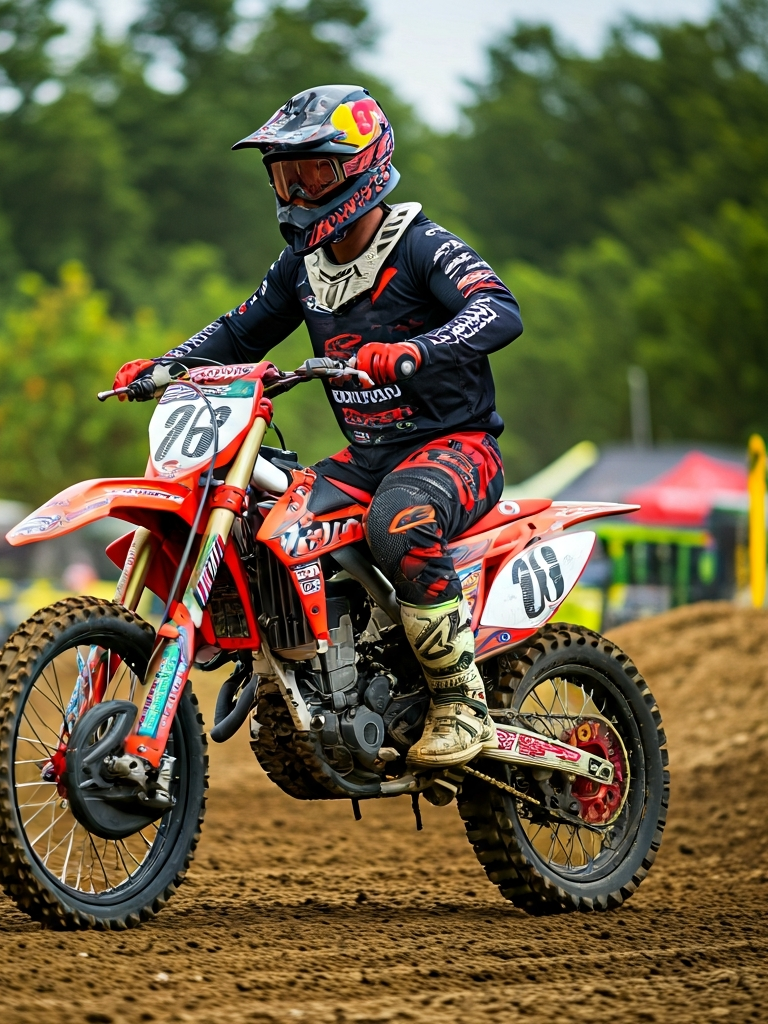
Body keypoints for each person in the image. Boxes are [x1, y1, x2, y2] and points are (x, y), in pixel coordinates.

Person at [113, 85, 522, 768]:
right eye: (285, 176)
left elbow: (499, 309)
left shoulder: (421, 246)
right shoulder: (301, 267)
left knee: (400, 521)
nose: (298, 192)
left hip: (457, 446)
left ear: (363, 165)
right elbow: (241, 330)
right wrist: (167, 365)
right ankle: (305, 670)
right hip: (368, 457)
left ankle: (462, 705)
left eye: (314, 172)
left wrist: (416, 350)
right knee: (265, 527)